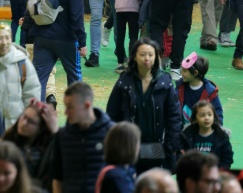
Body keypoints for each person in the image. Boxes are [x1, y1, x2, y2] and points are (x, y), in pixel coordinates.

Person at [107, 38, 181, 173]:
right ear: (134, 57)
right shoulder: (124, 81)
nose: (147, 59)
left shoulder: (165, 82)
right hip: (130, 146)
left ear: (156, 57)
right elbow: (112, 113)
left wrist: (173, 146)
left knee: (153, 183)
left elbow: (174, 117)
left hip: (156, 145)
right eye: (142, 55)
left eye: (151, 55)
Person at [30, 0, 87, 99]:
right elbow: (77, 15)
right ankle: (76, 118)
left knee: (38, 80)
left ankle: (37, 117)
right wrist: (82, 42)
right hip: (66, 39)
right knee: (75, 79)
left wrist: (27, 34)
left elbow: (30, 5)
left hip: (41, 36)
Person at [51, 81, 115, 193]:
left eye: (70, 107)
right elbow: (57, 177)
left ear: (87, 105)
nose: (65, 112)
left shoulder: (112, 133)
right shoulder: (62, 136)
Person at [0, 22, 40, 127]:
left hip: (16, 125)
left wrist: (28, 118)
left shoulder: (22, 62)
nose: (4, 43)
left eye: (7, 38)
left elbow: (32, 91)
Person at [1, 101, 58, 185]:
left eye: (30, 122)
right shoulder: (7, 142)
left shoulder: (48, 150)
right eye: (24, 117)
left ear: (40, 128)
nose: (24, 123)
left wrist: (55, 131)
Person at [180, 101, 234, 169]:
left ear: (214, 116)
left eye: (209, 114)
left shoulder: (222, 136)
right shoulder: (186, 135)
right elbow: (180, 156)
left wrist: (219, 173)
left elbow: (227, 158)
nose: (206, 118)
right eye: (202, 115)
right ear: (195, 118)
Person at [175, 52, 224, 126]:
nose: (181, 73)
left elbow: (217, 112)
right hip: (182, 130)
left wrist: (217, 130)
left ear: (195, 73)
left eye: (184, 71)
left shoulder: (210, 92)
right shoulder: (180, 87)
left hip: (202, 131)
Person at [96, 122, 141, 193]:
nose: (139, 148)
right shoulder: (116, 176)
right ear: (129, 146)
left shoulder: (119, 170)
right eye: (137, 143)